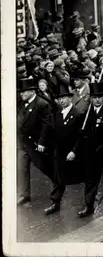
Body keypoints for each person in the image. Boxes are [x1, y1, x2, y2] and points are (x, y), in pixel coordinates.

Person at [77, 82, 103, 217]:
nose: (97, 100)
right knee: (90, 179)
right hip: (91, 152)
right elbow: (84, 133)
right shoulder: (88, 112)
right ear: (90, 98)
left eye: (100, 97)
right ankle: (88, 205)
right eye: (94, 97)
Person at [44, 85, 85, 215]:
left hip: (73, 152)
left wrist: (74, 151)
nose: (61, 101)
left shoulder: (77, 114)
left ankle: (88, 201)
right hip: (59, 152)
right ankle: (55, 202)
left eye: (64, 98)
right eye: (59, 99)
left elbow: (81, 136)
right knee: (58, 178)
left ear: (69, 98)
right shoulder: (57, 115)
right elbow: (51, 131)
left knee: (81, 176)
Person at [17, 78, 54, 206]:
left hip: (36, 144)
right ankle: (24, 194)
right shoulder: (23, 103)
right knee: (22, 168)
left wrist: (42, 142)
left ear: (32, 91)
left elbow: (46, 125)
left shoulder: (42, 104)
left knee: (44, 166)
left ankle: (59, 183)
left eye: (24, 92)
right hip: (23, 144)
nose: (21, 94)